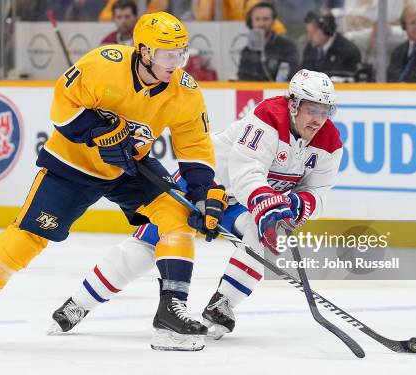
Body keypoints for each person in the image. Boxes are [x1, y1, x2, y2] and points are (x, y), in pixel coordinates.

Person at [0, 12, 227, 352]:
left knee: (177, 215)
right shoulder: (104, 63)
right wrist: (98, 132)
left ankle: (171, 311)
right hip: (71, 166)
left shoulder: (185, 92)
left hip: (128, 168)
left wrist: (203, 193)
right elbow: (62, 106)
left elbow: (195, 148)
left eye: (181, 54)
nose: (175, 64)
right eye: (166, 55)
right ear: (143, 51)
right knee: (28, 238)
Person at [48, 69, 343, 340]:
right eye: (311, 109)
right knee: (150, 245)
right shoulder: (269, 116)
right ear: (293, 105)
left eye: (324, 111)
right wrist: (269, 204)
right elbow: (246, 172)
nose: (318, 119)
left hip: (241, 202)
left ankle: (223, 303)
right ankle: (78, 304)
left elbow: (319, 192)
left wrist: (296, 205)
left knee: (261, 237)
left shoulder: (329, 142)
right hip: (204, 185)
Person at [236, 2, 298, 81]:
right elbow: (242, 79)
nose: (261, 24)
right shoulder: (247, 50)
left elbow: (292, 77)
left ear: (273, 21)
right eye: (257, 19)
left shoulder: (287, 47)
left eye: (265, 19)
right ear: (251, 22)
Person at [300, 11, 361, 78]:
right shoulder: (310, 48)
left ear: (327, 30)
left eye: (313, 32)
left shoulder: (349, 51)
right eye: (308, 32)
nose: (309, 37)